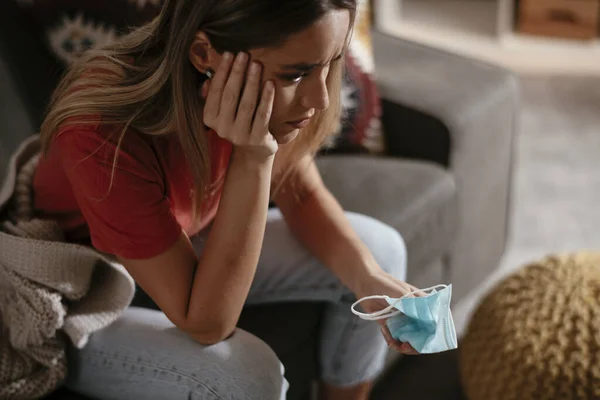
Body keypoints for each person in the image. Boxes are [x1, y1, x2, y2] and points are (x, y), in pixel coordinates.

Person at [34, 0, 421, 399]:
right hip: (86, 291)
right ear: (204, 54)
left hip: (180, 244)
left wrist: (368, 281)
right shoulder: (99, 131)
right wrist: (254, 158)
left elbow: (301, 194)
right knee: (248, 374)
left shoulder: (264, 100)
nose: (320, 99)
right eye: (297, 75)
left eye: (330, 63)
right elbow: (205, 323)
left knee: (381, 254)